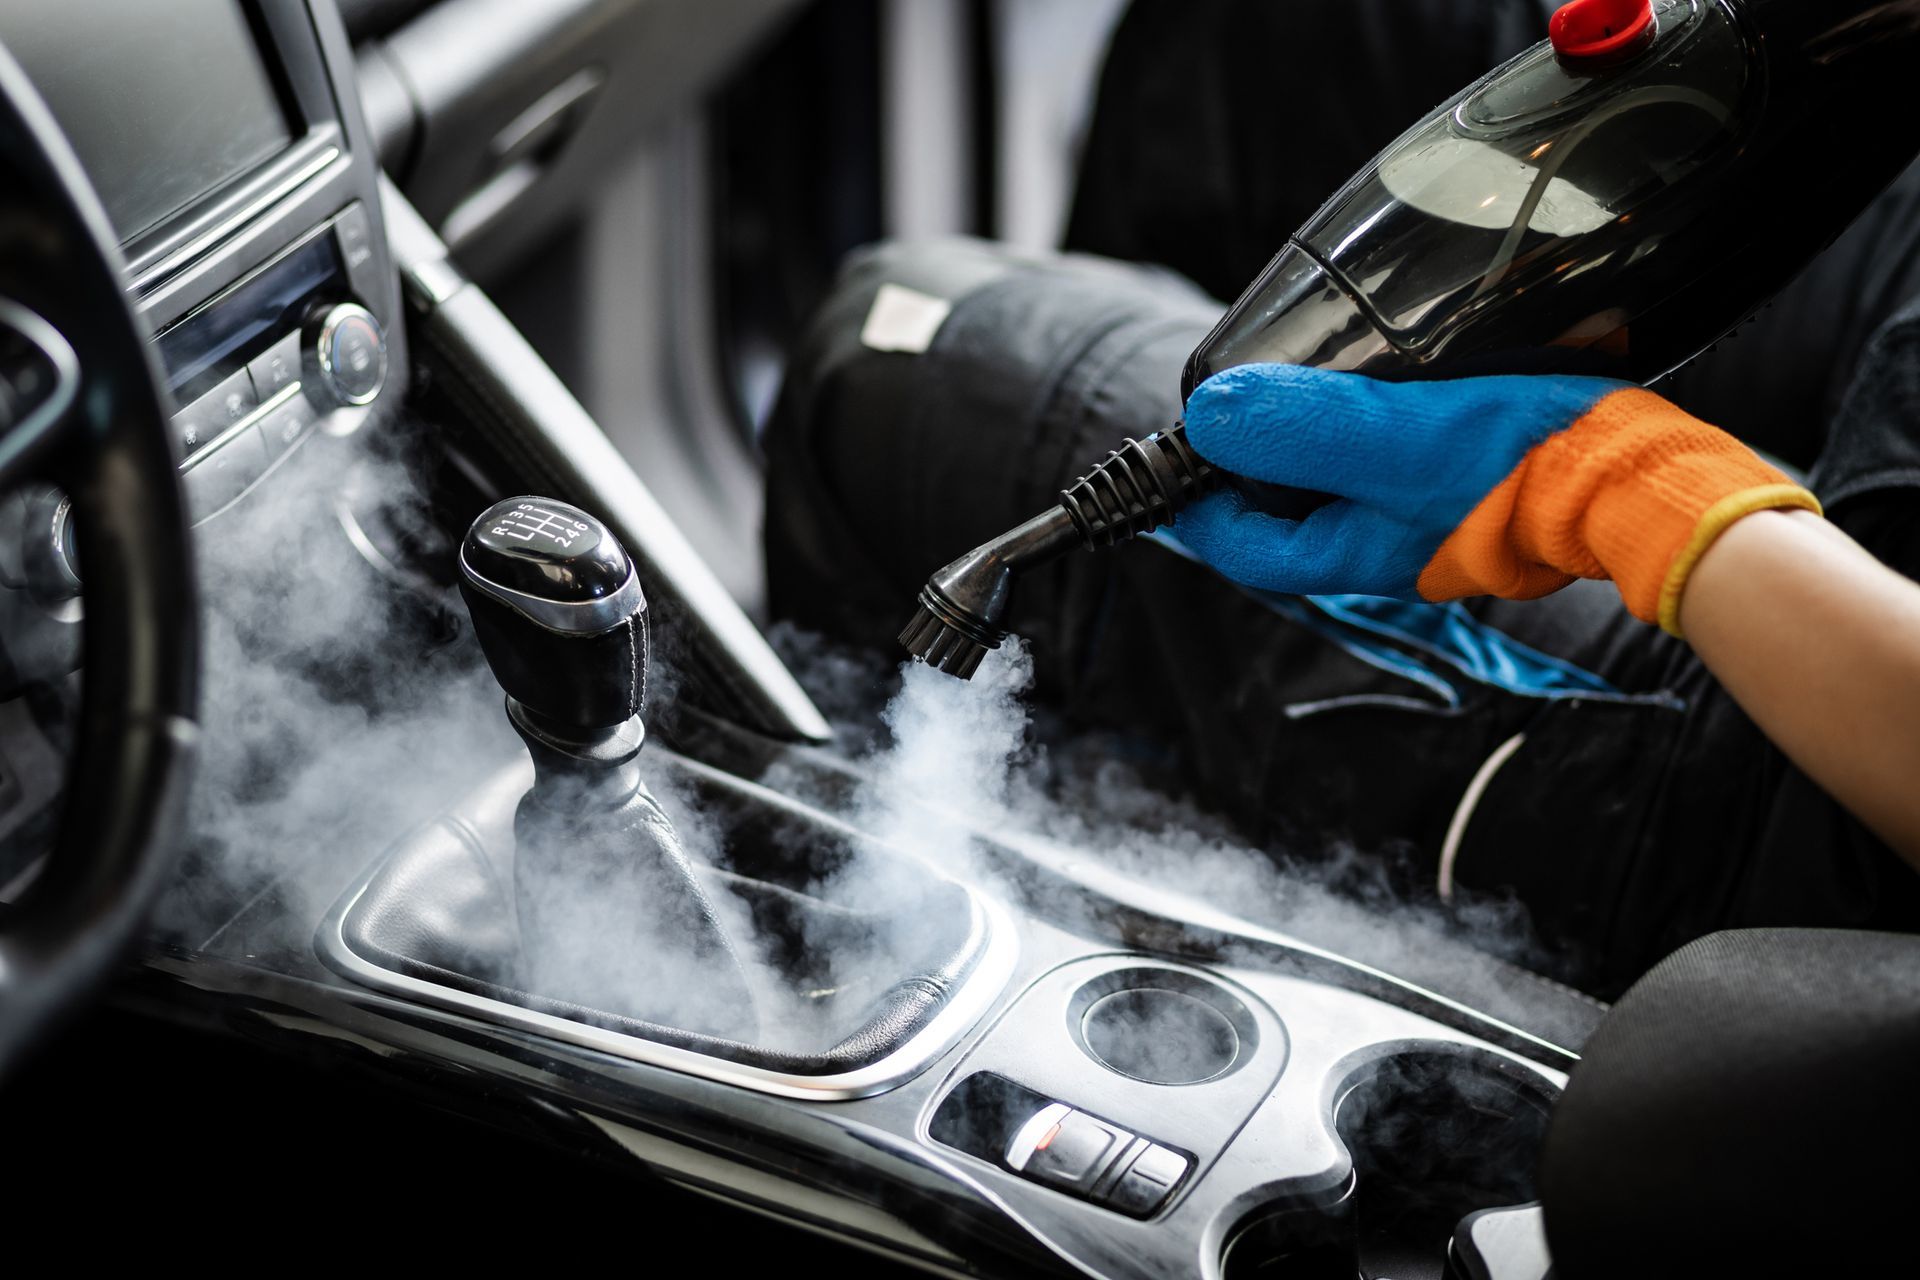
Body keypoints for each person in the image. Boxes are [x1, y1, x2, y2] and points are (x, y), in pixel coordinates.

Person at [761, 0, 1920, 994]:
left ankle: (882, 932)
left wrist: (1613, 482)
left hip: (1812, 784)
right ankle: (1157, 692)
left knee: (886, 365)